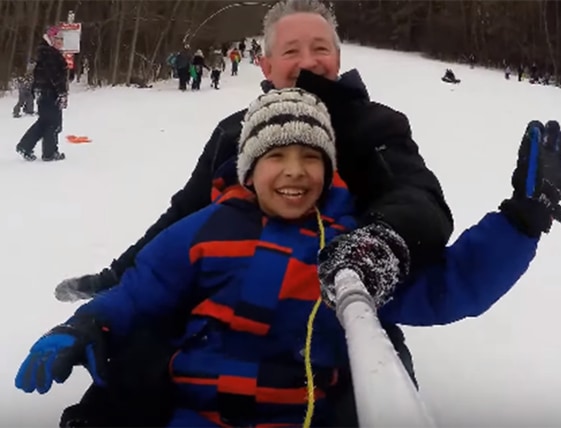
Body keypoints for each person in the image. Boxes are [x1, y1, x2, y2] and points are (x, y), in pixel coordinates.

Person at [16, 88, 561, 427]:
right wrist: (85, 324)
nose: (293, 170)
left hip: (297, 413)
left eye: (310, 157)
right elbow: (142, 291)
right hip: (192, 408)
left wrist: (522, 220)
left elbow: (447, 288)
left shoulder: (352, 246)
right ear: (249, 169)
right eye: (276, 156)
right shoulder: (205, 229)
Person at [52, 0, 453, 426]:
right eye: (291, 51)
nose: (308, 62)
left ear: (337, 58)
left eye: (320, 48)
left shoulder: (374, 127)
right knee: (137, 359)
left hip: (334, 304)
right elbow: (185, 214)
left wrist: (377, 244)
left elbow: (421, 203)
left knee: (371, 382)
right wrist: (119, 275)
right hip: (226, 303)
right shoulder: (234, 131)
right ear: (265, 65)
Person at [16, 25, 67, 162]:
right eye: (57, 39)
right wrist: (61, 92)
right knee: (52, 122)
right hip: (48, 92)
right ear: (50, 39)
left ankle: (28, 147)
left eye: (61, 39)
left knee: (46, 122)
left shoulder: (48, 53)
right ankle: (48, 152)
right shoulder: (49, 54)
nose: (60, 42)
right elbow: (54, 75)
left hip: (45, 92)